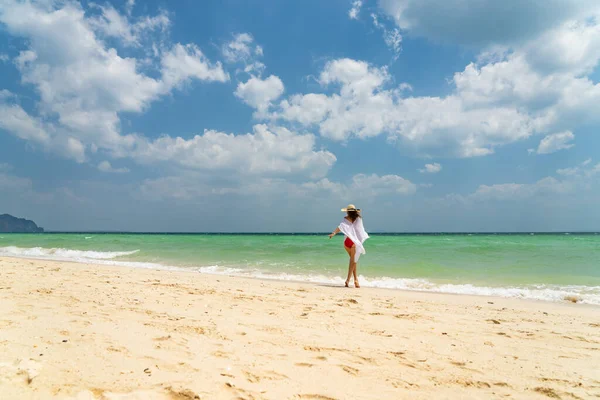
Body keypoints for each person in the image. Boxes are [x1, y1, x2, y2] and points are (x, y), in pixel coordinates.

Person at [329, 204, 369, 288]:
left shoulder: (345, 219)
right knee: (353, 261)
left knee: (353, 261)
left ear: (347, 211)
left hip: (347, 242)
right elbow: (360, 231)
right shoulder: (359, 219)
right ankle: (348, 280)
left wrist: (334, 233)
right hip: (355, 242)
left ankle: (355, 280)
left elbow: (340, 227)